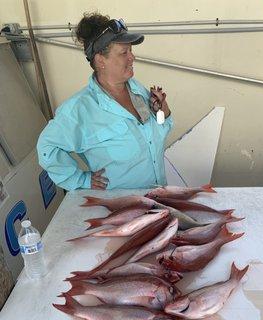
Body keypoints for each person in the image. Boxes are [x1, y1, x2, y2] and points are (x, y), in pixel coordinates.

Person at [37, 12, 173, 191]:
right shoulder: (78, 110)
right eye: (124, 53)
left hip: (158, 196)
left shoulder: (137, 90)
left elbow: (156, 135)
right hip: (120, 209)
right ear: (101, 60)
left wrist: (163, 113)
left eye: (131, 51)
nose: (132, 58)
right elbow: (47, 147)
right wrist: (82, 181)